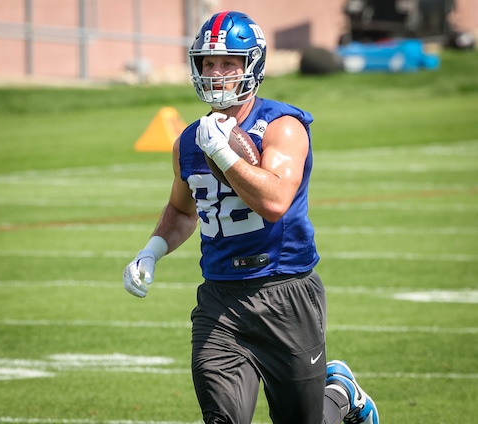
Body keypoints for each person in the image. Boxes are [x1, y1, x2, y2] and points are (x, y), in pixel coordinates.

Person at [123, 10, 379, 424]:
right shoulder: (188, 140)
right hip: (220, 297)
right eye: (208, 63)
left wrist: (223, 154)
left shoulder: (282, 126)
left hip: (284, 290)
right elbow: (183, 209)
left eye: (228, 63)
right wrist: (151, 250)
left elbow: (274, 202)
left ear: (253, 65)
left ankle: (340, 396)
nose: (216, 73)